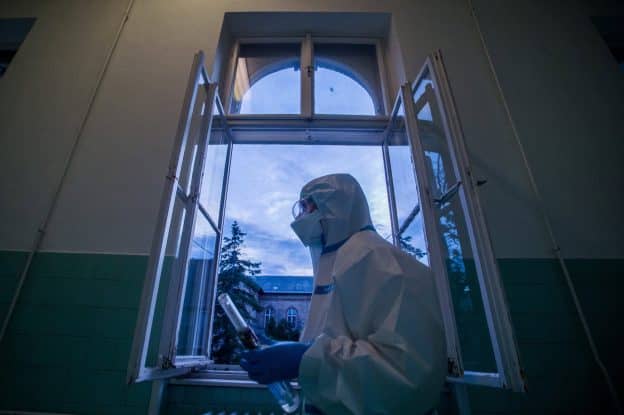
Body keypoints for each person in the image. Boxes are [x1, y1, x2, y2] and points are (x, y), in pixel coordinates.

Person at [240, 173, 446, 414]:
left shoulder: (381, 261)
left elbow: (406, 373)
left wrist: (305, 358)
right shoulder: (340, 264)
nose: (300, 218)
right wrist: (299, 350)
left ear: (335, 207)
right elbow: (340, 337)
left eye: (306, 206)